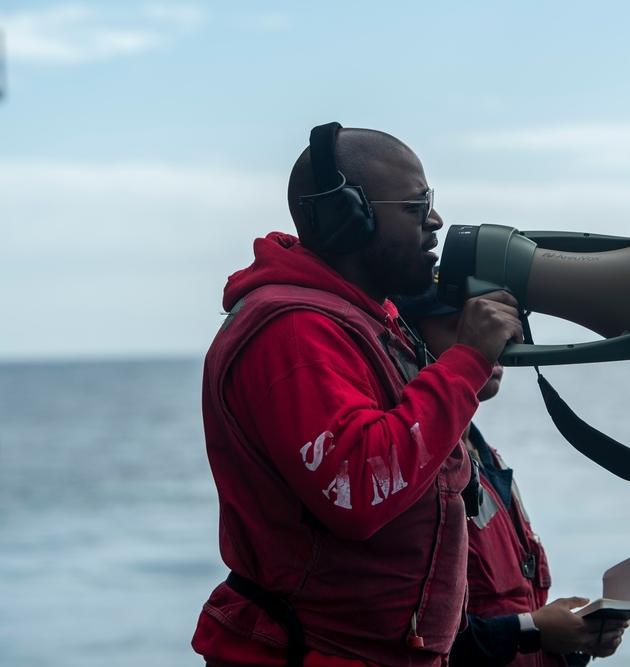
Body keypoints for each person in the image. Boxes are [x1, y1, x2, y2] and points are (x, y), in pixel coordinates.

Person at [191, 122, 525, 667]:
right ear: (350, 220)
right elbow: (360, 486)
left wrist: (457, 382)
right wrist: (463, 365)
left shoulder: (363, 318)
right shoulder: (294, 332)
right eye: (416, 206)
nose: (436, 221)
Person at [392, 284, 629, 667]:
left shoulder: (488, 460)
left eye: (495, 325)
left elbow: (506, 613)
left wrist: (570, 638)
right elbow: (415, 637)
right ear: (407, 341)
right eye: (463, 327)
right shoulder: (410, 470)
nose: (492, 340)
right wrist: (532, 630)